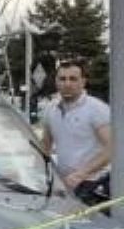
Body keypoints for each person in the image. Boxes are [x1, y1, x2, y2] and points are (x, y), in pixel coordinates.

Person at [39, 59, 111, 203]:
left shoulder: (97, 109)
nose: (67, 84)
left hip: (93, 184)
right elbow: (45, 146)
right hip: (64, 184)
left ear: (83, 82)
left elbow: (112, 148)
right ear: (56, 81)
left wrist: (81, 175)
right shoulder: (51, 109)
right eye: (62, 79)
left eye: (73, 79)